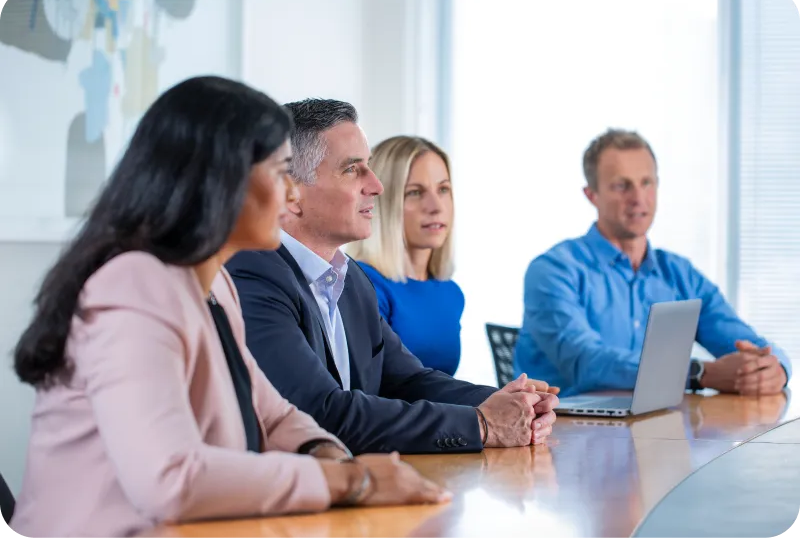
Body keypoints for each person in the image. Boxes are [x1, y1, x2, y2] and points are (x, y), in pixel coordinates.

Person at [9, 78, 449, 538]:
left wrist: (334, 461)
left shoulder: (215, 283)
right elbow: (171, 479)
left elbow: (275, 416)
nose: (293, 195)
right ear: (220, 181)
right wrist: (351, 482)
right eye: (280, 173)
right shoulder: (133, 284)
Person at [227, 99, 559, 456]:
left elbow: (407, 380)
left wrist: (507, 401)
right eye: (352, 170)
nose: (376, 186)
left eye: (368, 167)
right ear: (292, 193)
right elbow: (319, 412)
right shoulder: (253, 275)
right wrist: (481, 424)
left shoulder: (349, 278)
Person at [513, 128, 792, 397]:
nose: (638, 198)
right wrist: (698, 373)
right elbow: (587, 362)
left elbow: (744, 342)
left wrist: (774, 368)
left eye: (646, 182)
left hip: (661, 422)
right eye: (622, 186)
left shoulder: (680, 275)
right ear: (592, 195)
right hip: (565, 425)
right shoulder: (553, 272)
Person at [347, 135, 464, 376]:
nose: (436, 206)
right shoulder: (362, 286)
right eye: (415, 192)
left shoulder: (451, 292)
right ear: (381, 201)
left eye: (443, 189)